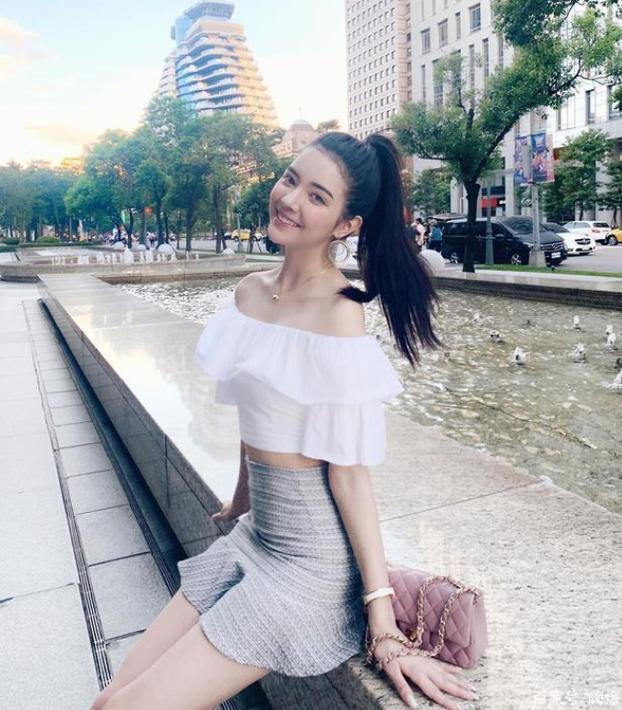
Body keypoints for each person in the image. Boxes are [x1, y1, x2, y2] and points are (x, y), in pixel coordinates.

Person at [89, 132, 478, 710]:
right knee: (107, 701)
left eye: (317, 197)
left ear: (346, 225)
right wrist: (239, 499)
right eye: (291, 179)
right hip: (255, 537)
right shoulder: (249, 293)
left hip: (309, 566)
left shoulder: (339, 314)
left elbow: (351, 475)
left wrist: (383, 623)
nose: (291, 199)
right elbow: (256, 417)